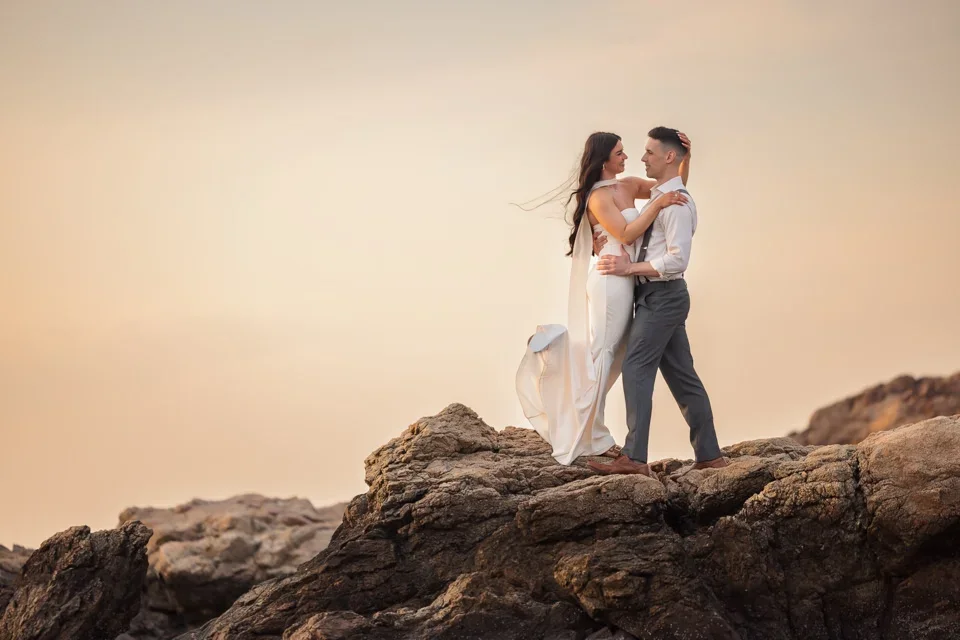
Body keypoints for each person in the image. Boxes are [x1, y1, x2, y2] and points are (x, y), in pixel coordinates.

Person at [515, 131, 691, 465]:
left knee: (616, 356)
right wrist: (656, 205)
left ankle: (593, 432)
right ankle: (588, 438)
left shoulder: (630, 185)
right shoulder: (598, 197)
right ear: (605, 159)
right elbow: (625, 233)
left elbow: (674, 190)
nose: (627, 158)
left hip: (628, 278)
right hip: (611, 279)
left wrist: (684, 158)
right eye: (620, 153)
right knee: (604, 354)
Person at [587, 127, 727, 477]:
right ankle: (710, 455)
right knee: (683, 377)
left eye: (649, 152)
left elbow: (678, 260)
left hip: (663, 296)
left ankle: (634, 459)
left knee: (636, 368)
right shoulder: (663, 195)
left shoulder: (676, 203)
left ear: (668, 157)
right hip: (655, 296)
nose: (641, 157)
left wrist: (628, 266)